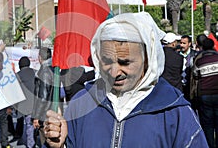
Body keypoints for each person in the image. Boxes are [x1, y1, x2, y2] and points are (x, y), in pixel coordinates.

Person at [43, 12, 208, 148]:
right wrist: (59, 145)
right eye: (107, 61)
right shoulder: (82, 103)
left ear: (147, 61)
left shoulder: (175, 112)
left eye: (125, 62)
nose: (114, 72)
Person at [192, 38, 218, 148]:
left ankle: (210, 145)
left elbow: (195, 76)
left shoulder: (199, 61)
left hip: (205, 94)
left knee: (207, 124)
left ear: (202, 47)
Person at [32, 47, 55, 145]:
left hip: (44, 115)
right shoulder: (52, 69)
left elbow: (43, 97)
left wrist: (37, 116)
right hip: (49, 112)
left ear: (40, 57)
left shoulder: (45, 71)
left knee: (45, 141)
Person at [15, 56, 36, 148]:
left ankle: (20, 136)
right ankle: (31, 143)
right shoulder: (35, 73)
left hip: (22, 103)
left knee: (21, 120)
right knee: (30, 125)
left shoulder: (17, 75)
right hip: (33, 103)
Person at [179, 35, 197, 102]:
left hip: (190, 85)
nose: (182, 45)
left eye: (184, 43)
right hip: (180, 85)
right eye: (181, 43)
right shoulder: (177, 54)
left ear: (189, 44)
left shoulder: (195, 54)